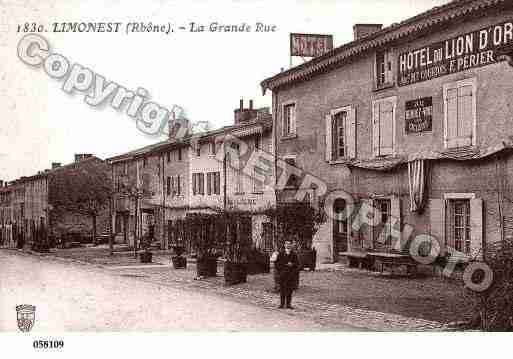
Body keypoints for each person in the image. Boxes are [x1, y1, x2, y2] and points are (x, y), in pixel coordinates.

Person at [275, 240, 299, 309]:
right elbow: (277, 264)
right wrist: (281, 270)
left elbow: (297, 264)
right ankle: (282, 304)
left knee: (289, 290)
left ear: (291, 245)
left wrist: (292, 264)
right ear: (284, 245)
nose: (288, 245)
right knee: (282, 289)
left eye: (289, 244)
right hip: (283, 274)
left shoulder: (294, 254)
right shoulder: (281, 254)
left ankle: (288, 304)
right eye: (286, 244)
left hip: (291, 275)